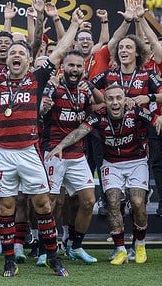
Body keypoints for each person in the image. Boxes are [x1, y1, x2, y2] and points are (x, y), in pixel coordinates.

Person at [0, 7, 83, 277]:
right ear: (7, 60)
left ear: (29, 60)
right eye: (12, 53)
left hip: (29, 152)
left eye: (21, 53)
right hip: (3, 153)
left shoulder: (37, 78)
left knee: (43, 205)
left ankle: (53, 257)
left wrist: (74, 25)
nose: (16, 56)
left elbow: (60, 50)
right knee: (6, 207)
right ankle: (9, 260)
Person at [48, 84, 162, 265]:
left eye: (118, 98)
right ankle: (120, 249)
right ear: (104, 102)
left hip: (137, 161)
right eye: (110, 99)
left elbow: (160, 122)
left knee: (138, 202)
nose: (115, 102)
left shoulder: (136, 111)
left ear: (125, 100)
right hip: (111, 163)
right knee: (113, 201)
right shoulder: (98, 116)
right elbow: (80, 131)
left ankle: (139, 245)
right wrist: (61, 145)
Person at [40, 51, 97, 265]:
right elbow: (40, 108)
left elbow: (97, 109)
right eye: (70, 65)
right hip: (53, 152)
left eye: (78, 66)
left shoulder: (85, 91)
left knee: (89, 201)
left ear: (83, 69)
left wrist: (91, 89)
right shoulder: (53, 87)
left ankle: (76, 246)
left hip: (77, 153)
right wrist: (44, 105)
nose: (74, 69)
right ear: (62, 67)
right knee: (51, 203)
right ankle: (46, 249)